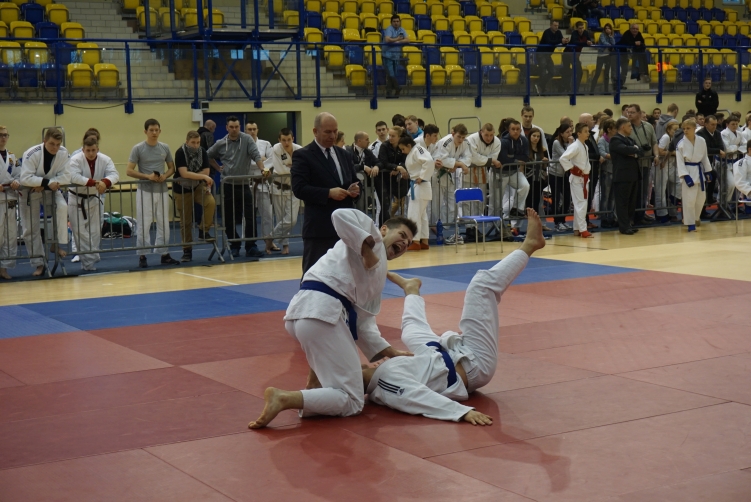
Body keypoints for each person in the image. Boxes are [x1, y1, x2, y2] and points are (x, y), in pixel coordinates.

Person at [363, 208, 546, 424]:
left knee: (411, 332)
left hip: (438, 353)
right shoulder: (387, 382)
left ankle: (411, 289)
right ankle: (530, 245)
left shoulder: (383, 374)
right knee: (481, 286)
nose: (361, 364)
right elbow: (419, 398)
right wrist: (461, 412)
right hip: (474, 364)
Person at [248, 209, 416, 429]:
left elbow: (363, 322)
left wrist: (390, 352)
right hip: (322, 314)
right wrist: (366, 249)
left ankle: (314, 383)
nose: (404, 244)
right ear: (383, 229)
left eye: (409, 243)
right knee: (353, 400)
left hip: (308, 314)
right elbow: (339, 215)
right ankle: (284, 398)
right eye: (402, 235)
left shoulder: (378, 274)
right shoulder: (371, 236)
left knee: (337, 355)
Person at [292, 112, 361, 273]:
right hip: (319, 228)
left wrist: (356, 190)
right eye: (327, 132)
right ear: (315, 131)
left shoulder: (344, 155)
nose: (332, 136)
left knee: (346, 275)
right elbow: (299, 188)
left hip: (345, 227)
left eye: (335, 131)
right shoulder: (303, 155)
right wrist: (328, 193)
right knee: (314, 275)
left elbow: (354, 181)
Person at [208, 116, 266, 260]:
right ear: (227, 128)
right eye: (231, 127)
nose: (234, 129)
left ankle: (251, 246)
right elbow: (208, 155)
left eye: (237, 127)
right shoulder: (220, 143)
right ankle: (234, 245)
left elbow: (256, 155)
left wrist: (262, 169)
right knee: (229, 218)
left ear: (240, 127)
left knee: (250, 216)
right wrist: (218, 167)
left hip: (244, 185)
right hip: (227, 185)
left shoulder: (247, 139)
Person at [126, 119, 179, 268]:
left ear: (160, 131)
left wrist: (165, 176)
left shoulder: (165, 147)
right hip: (145, 191)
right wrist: (147, 176)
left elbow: (171, 168)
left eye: (156, 130)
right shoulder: (138, 148)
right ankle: (142, 255)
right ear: (145, 131)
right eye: (151, 130)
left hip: (161, 190)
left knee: (164, 223)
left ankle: (164, 253)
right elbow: (129, 170)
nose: (154, 133)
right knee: (144, 222)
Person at [19, 127, 70, 276]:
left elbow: (67, 177)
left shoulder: (63, 153)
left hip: (50, 190)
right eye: (52, 144)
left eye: (58, 144)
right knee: (30, 229)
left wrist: (45, 184)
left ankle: (56, 243)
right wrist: (46, 182)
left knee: (62, 207)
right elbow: (25, 178)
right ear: (44, 141)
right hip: (30, 192)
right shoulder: (32, 153)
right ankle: (39, 263)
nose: (55, 147)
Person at [67, 136, 119, 272]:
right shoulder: (75, 159)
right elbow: (73, 176)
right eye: (88, 150)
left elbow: (114, 174)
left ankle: (88, 264)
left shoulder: (105, 159)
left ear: (98, 149)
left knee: (95, 231)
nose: (91, 153)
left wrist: (105, 182)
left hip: (94, 198)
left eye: (93, 150)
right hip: (76, 199)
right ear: (83, 150)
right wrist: (94, 182)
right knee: (80, 232)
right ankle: (92, 258)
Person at [172, 130, 215, 263]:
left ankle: (203, 230)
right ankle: (187, 250)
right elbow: (184, 173)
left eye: (198, 142)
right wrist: (201, 176)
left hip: (197, 186)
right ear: (187, 142)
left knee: (210, 202)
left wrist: (194, 176)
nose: (196, 145)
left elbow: (206, 171)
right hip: (181, 189)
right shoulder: (180, 152)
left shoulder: (203, 152)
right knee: (186, 221)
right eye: (193, 143)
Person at [266, 128, 302, 256]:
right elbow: (280, 170)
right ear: (279, 140)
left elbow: (303, 169)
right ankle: (285, 245)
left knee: (291, 219)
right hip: (278, 187)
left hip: (294, 188)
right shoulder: (276, 148)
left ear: (293, 139)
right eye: (283, 140)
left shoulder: (299, 150)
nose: (286, 143)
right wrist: (293, 168)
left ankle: (270, 237)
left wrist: (290, 167)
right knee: (281, 218)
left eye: (288, 140)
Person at [435, 124, 471, 244]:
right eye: (459, 137)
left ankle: (449, 231)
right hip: (437, 174)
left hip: (450, 175)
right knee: (436, 204)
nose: (461, 140)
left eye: (463, 137)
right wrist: (459, 164)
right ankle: (436, 230)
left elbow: (468, 158)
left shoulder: (465, 143)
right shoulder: (446, 142)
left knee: (452, 203)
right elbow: (442, 160)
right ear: (453, 133)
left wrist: (456, 164)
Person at [677, 118, 713, 232]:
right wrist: (685, 176)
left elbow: (704, 157)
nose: (685, 131)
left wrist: (708, 171)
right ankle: (690, 224)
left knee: (701, 199)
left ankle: (696, 218)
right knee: (689, 200)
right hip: (688, 171)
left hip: (699, 171)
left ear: (694, 128)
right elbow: (679, 162)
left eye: (688, 128)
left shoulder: (701, 141)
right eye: (684, 129)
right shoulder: (681, 144)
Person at [399, 136, 434, 251]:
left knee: (414, 215)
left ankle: (415, 241)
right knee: (422, 216)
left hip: (420, 186)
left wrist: (422, 176)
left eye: (403, 149)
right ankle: (424, 241)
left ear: (409, 145)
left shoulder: (418, 149)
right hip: (419, 186)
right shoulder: (414, 151)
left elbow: (429, 161)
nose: (402, 151)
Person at [246, 122, 276, 254]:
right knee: (248, 215)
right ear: (245, 131)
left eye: (254, 129)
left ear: (257, 130)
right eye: (249, 129)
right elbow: (246, 162)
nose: (252, 131)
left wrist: (262, 164)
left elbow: (272, 159)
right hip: (247, 183)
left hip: (262, 182)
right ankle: (248, 242)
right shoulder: (242, 144)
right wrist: (260, 160)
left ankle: (269, 241)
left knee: (268, 214)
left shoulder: (265, 144)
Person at [559, 123, 593, 238]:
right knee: (581, 204)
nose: (588, 133)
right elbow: (563, 158)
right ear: (578, 133)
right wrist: (573, 168)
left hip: (584, 178)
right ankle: (583, 229)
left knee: (581, 204)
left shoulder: (584, 146)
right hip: (577, 179)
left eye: (588, 131)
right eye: (585, 131)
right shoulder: (575, 146)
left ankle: (577, 229)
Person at [610, 117, 642, 235]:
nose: (631, 128)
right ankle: (624, 226)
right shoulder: (615, 140)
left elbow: (640, 151)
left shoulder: (630, 139)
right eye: (629, 126)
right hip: (622, 176)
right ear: (623, 127)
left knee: (631, 202)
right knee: (622, 202)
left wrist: (634, 151)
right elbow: (625, 150)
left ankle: (629, 224)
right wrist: (634, 150)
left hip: (632, 175)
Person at [627, 104, 658, 224]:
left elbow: (654, 142)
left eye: (632, 112)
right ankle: (631, 217)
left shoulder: (648, 126)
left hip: (646, 163)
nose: (629, 114)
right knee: (633, 191)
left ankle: (641, 214)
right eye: (628, 112)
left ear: (639, 114)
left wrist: (656, 155)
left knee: (643, 191)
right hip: (632, 164)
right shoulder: (626, 126)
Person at [498, 121, 530, 232]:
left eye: (517, 129)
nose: (515, 131)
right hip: (500, 173)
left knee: (525, 186)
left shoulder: (524, 140)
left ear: (520, 130)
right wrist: (516, 160)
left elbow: (526, 157)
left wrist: (511, 157)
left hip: (514, 172)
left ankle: (517, 209)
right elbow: (503, 158)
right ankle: (497, 225)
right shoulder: (503, 141)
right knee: (497, 199)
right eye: (513, 129)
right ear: (509, 130)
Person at [377, 126, 409, 226]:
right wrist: (397, 167)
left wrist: (398, 168)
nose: (390, 138)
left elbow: (406, 160)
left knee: (403, 203)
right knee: (385, 206)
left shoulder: (402, 146)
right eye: (389, 135)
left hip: (399, 180)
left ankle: (402, 226)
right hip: (385, 179)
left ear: (399, 137)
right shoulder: (384, 146)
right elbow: (384, 162)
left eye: (393, 136)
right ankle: (383, 227)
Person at [346, 131, 381, 218]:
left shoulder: (367, 152)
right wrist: (363, 167)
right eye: (367, 139)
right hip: (352, 185)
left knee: (363, 207)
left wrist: (376, 166)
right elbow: (349, 166)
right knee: (354, 208)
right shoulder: (348, 151)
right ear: (359, 141)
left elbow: (378, 162)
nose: (369, 141)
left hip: (365, 185)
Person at [0, 125, 19, 280]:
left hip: (10, 199)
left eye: (5, 135)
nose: (3, 138)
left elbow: (19, 174)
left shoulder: (12, 156)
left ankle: (4, 268)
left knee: (10, 235)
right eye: (0, 135)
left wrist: (16, 182)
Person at [697, 115, 726, 209]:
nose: (714, 126)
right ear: (706, 124)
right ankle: (703, 206)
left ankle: (709, 198)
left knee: (713, 176)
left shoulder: (717, 133)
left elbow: (721, 147)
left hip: (708, 162)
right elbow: (705, 149)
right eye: (712, 124)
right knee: (703, 185)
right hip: (699, 163)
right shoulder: (700, 134)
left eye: (715, 124)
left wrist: (717, 150)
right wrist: (717, 151)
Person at [549, 124, 573, 232]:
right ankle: (557, 222)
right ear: (562, 133)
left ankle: (563, 220)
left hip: (565, 174)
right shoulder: (556, 142)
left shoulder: (570, 142)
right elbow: (566, 155)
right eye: (567, 132)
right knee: (557, 199)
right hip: (555, 174)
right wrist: (571, 144)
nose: (570, 134)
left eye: (571, 131)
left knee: (567, 198)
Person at [656, 121, 681, 223]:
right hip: (661, 165)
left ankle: (673, 200)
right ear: (668, 130)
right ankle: (661, 215)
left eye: (677, 130)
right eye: (674, 130)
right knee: (661, 190)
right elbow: (660, 151)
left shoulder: (676, 138)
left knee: (680, 181)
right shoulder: (666, 137)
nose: (676, 132)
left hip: (671, 164)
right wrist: (673, 152)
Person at [526, 128, 550, 230]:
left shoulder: (543, 150)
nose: (536, 138)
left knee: (537, 202)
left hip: (539, 178)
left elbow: (546, 166)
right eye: (534, 136)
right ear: (530, 137)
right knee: (528, 202)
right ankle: (528, 225)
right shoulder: (526, 149)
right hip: (528, 178)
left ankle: (537, 225)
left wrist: (545, 162)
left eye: (538, 136)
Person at [537, 20, 569, 93]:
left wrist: (565, 41)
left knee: (552, 71)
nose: (556, 27)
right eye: (555, 25)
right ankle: (542, 88)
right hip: (541, 53)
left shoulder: (558, 32)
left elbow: (561, 41)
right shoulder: (547, 32)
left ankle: (541, 85)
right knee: (543, 70)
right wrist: (561, 40)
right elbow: (549, 41)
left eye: (557, 25)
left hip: (548, 54)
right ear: (551, 25)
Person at [382, 14, 408, 98]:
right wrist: (398, 39)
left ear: (400, 22)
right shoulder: (389, 29)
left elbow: (407, 39)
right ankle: (398, 88)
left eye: (397, 21)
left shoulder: (402, 29)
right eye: (394, 21)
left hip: (396, 56)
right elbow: (387, 39)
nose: (396, 23)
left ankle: (389, 93)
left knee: (392, 75)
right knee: (391, 74)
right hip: (387, 55)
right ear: (391, 22)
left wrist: (397, 42)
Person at [597, 118, 617, 228]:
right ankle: (603, 218)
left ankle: (611, 217)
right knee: (605, 196)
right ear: (609, 129)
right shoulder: (602, 140)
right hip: (606, 171)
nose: (616, 130)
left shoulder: (615, 140)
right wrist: (614, 155)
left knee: (612, 196)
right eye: (614, 129)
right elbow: (602, 153)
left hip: (614, 170)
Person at [564, 21, 593, 93]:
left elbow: (589, 40)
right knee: (567, 72)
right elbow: (575, 42)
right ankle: (567, 89)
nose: (581, 30)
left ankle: (575, 90)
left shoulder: (585, 33)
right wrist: (585, 43)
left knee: (579, 72)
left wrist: (589, 42)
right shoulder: (574, 33)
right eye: (580, 28)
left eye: (583, 28)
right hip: (567, 54)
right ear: (577, 28)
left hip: (575, 56)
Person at [590, 23, 615, 95]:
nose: (607, 29)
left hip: (608, 56)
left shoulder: (611, 36)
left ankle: (606, 91)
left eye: (609, 28)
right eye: (606, 28)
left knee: (606, 74)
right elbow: (604, 42)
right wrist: (609, 45)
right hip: (601, 56)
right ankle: (591, 91)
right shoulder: (602, 35)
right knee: (597, 73)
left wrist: (610, 36)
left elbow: (613, 43)